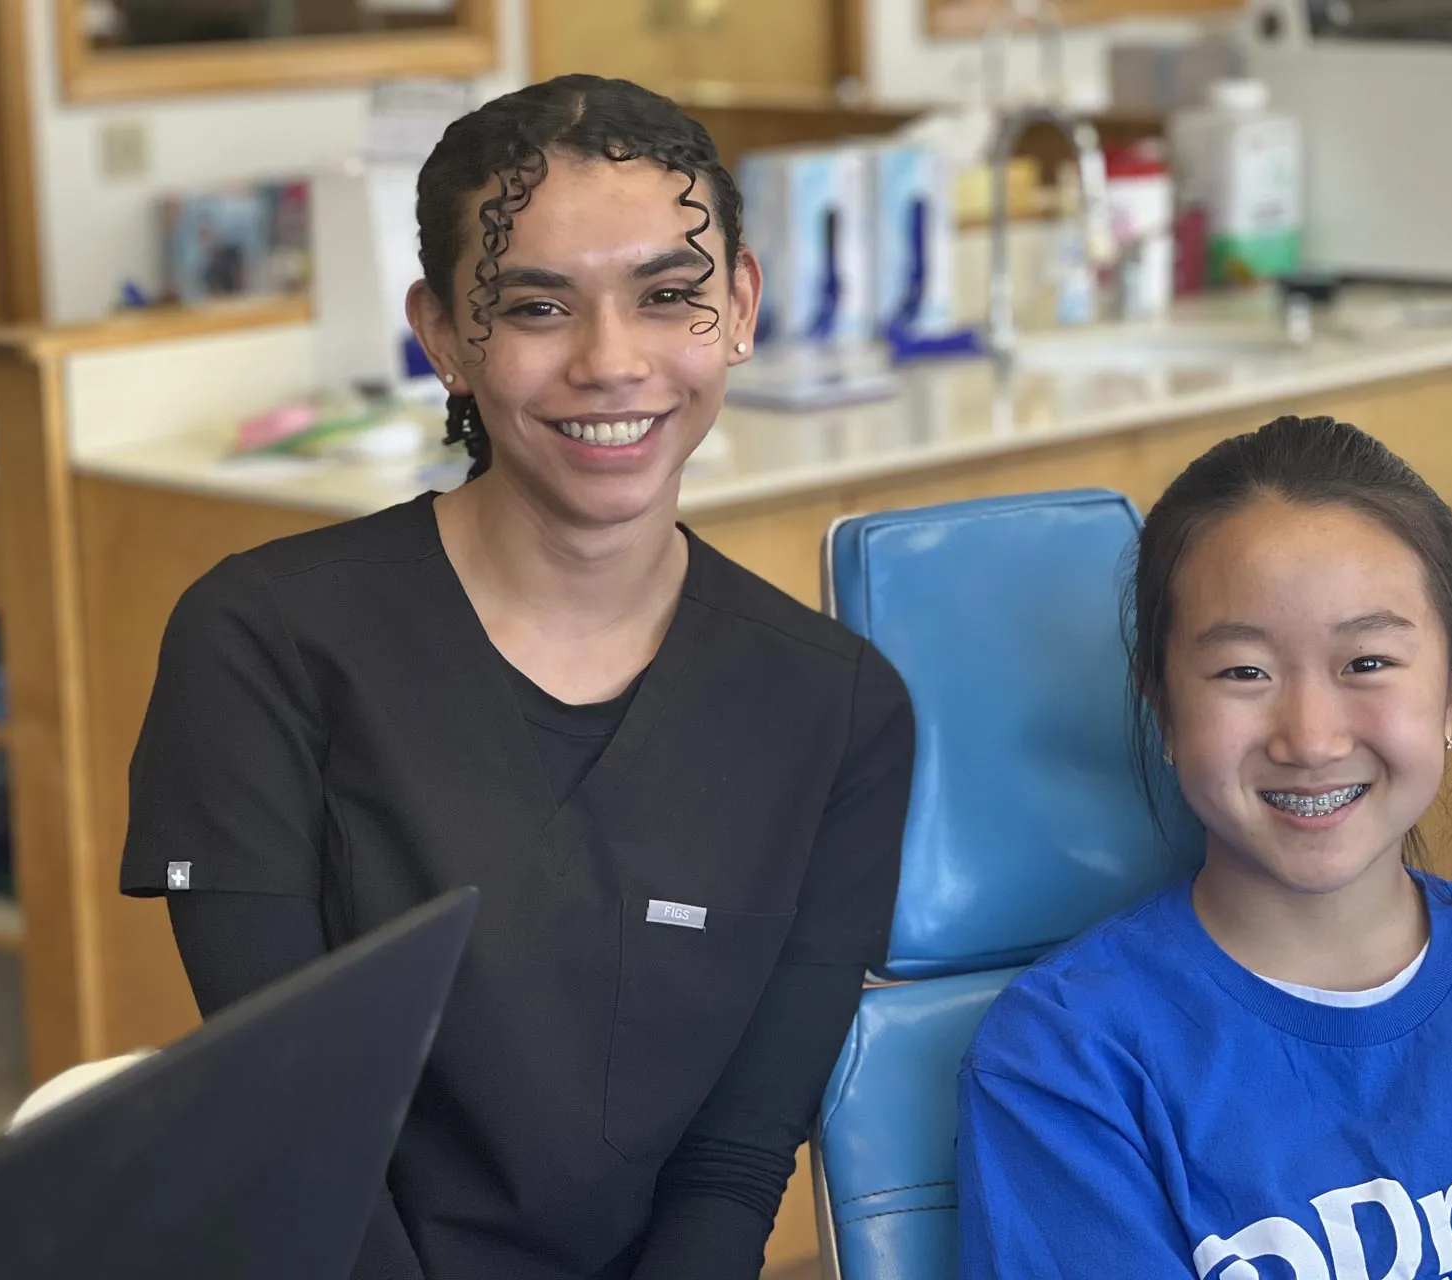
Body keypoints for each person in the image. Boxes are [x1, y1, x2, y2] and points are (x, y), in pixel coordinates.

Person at [120, 75, 914, 1280]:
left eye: (668, 296)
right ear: (443, 334)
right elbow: (295, 1127)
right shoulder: (262, 643)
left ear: (740, 307)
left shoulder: (836, 709)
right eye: (539, 306)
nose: (612, 362)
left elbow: (736, 1161)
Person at [956, 416, 1452, 1278]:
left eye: (1366, 663)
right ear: (1164, 710)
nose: (1311, 738)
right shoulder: (1066, 1064)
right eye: (1243, 672)